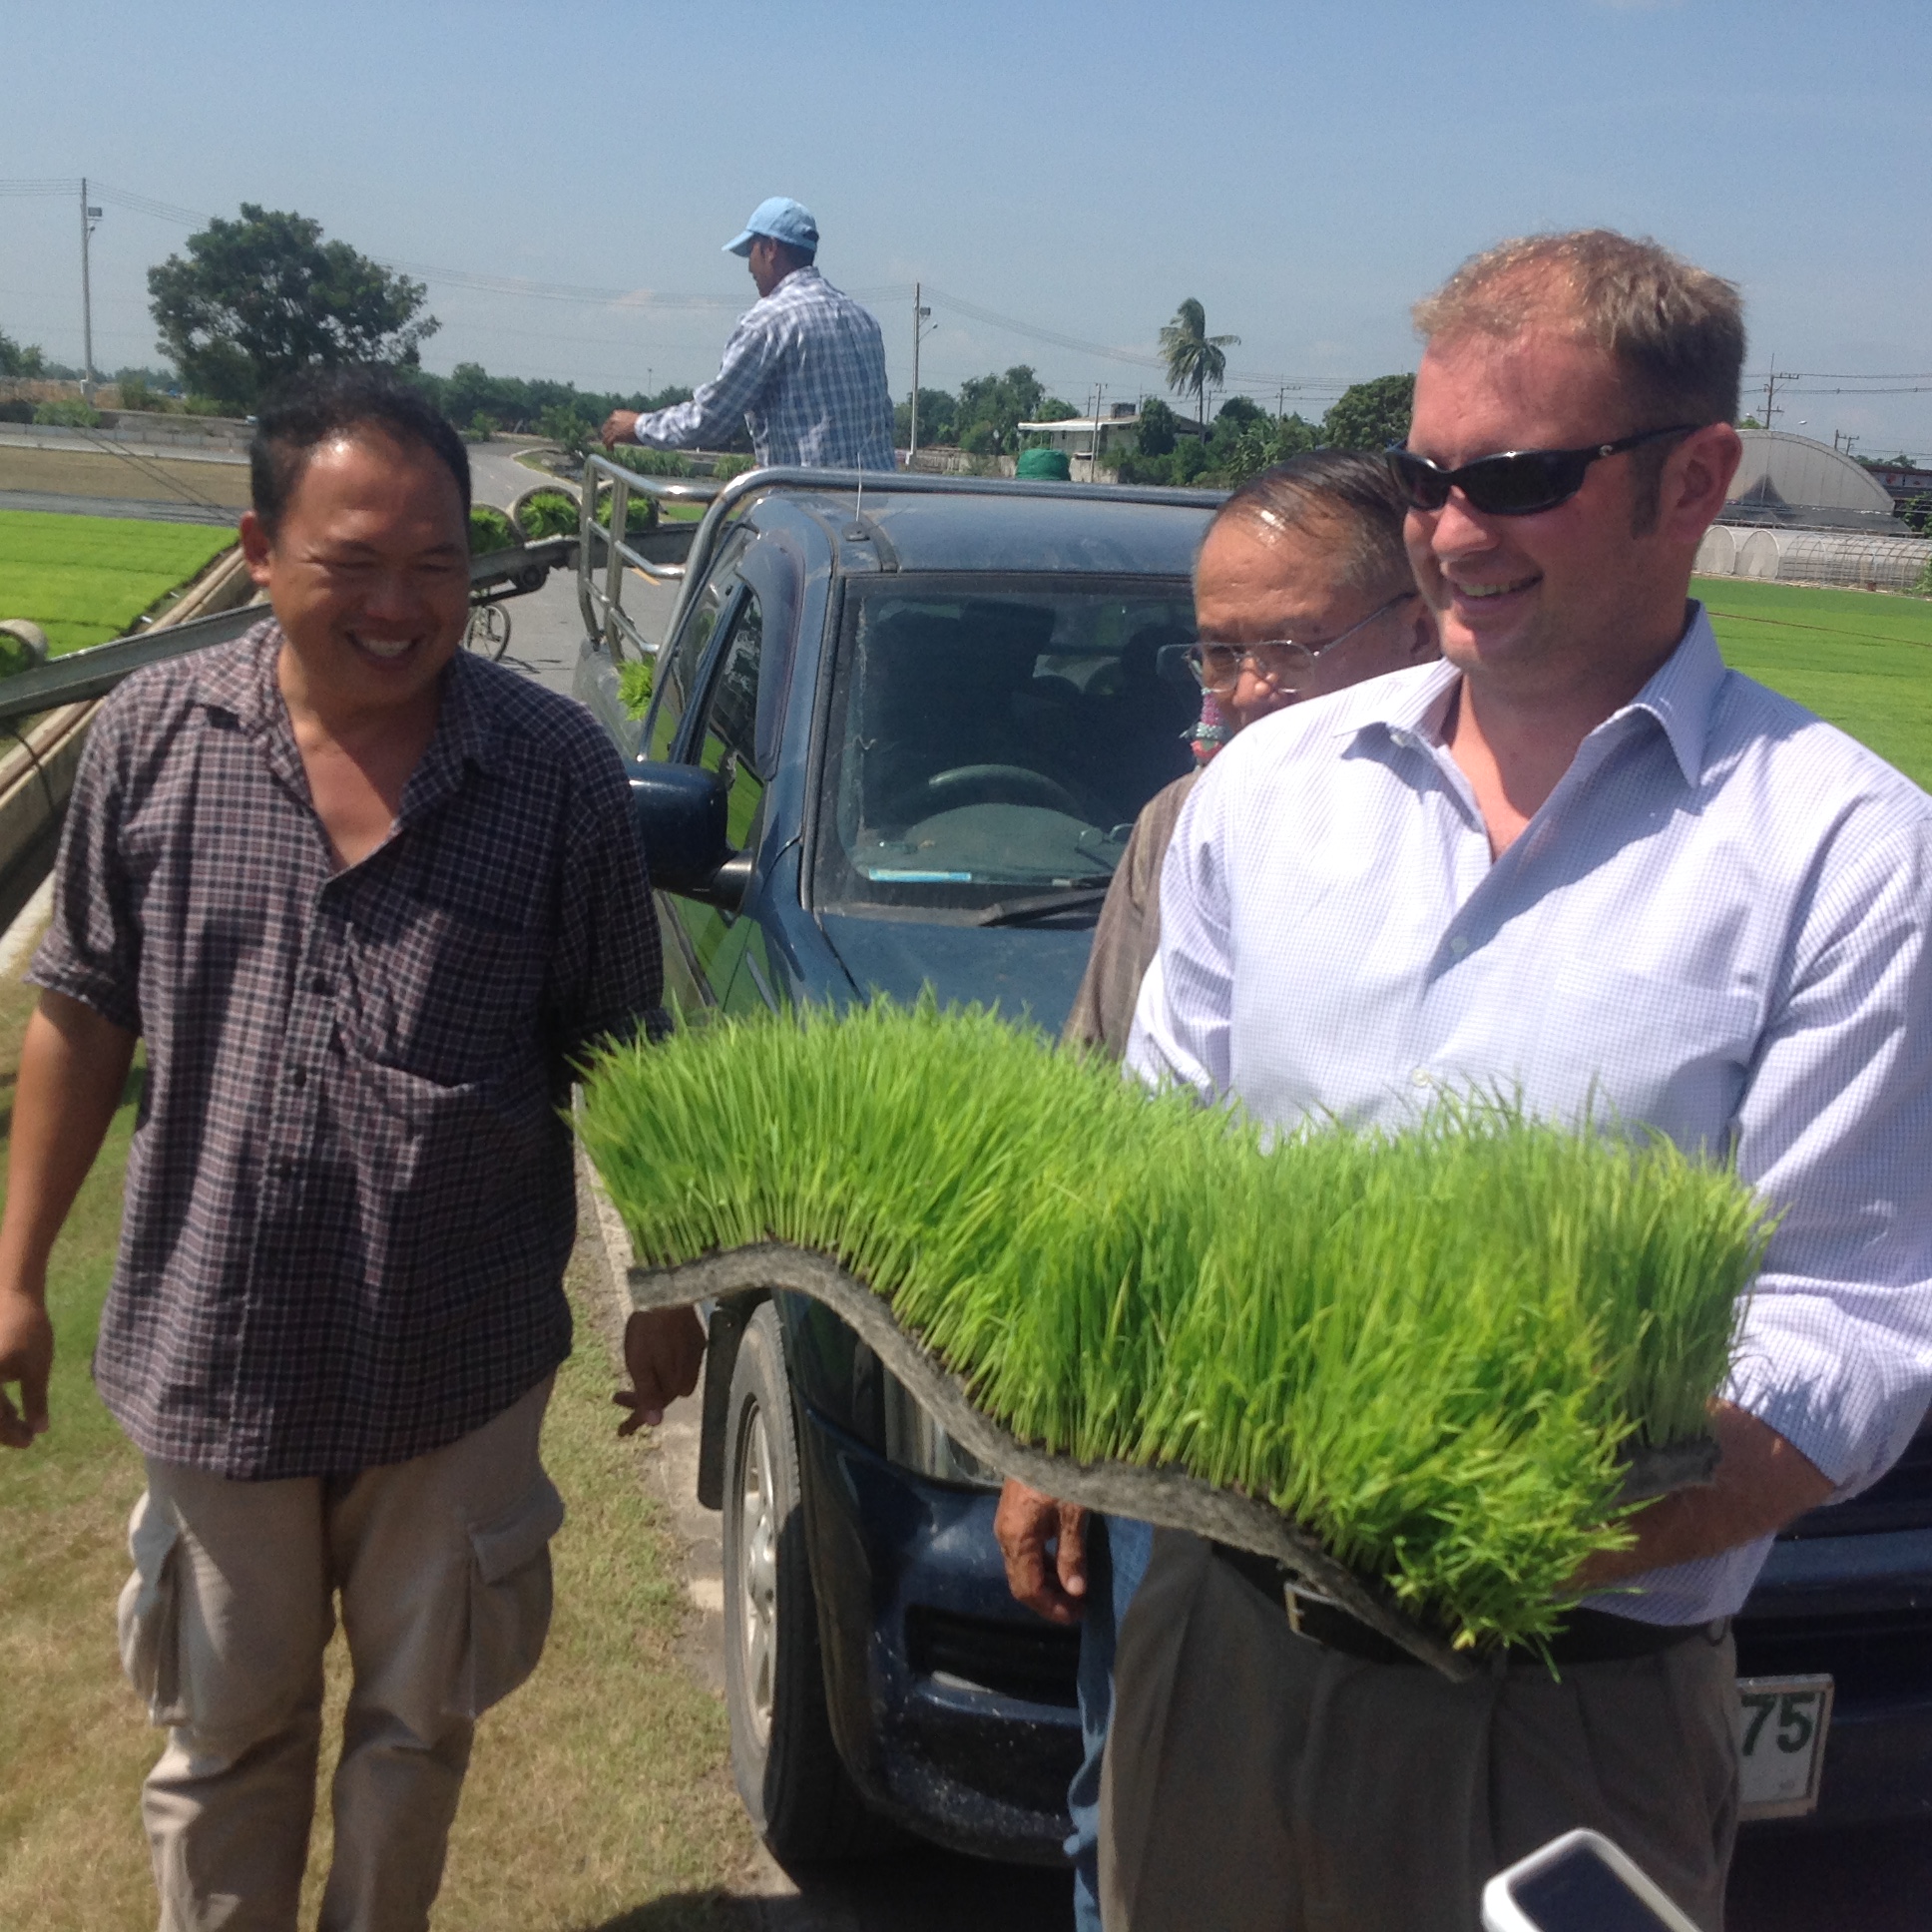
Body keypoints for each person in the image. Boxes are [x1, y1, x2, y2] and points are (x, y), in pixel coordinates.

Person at [1103, 230, 1932, 1932]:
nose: (1453, 534)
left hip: (1559, 1714)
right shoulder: (1271, 794)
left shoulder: (1848, 854)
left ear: (1693, 477)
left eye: (1523, 478)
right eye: (1427, 477)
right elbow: (1151, 1162)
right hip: (1215, 1651)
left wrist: (1471, 1521)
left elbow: (1843, 1326)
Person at [0, 366, 665, 1930]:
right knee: (225, 1734)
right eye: (353, 561)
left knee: (416, 1725)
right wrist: (17, 1272)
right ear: (257, 550)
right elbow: (82, 1010)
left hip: (460, 1356)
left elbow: (624, 1057)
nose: (399, 602)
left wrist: (674, 1287)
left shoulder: (550, 769)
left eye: (436, 562)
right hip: (214, 1340)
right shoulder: (160, 736)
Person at [995, 451, 1439, 1932]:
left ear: (1425, 617)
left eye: (1284, 649)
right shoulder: (1183, 831)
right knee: (1124, 1807)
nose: (1240, 689)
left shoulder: (1498, 841)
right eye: (1219, 649)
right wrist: (1046, 1427)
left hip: (1416, 1487)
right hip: (1175, 1466)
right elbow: (1096, 1137)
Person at [599, 197, 895, 472]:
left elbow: (711, 420)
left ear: (770, 249)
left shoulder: (770, 320)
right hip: (878, 509)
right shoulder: (863, 319)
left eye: (750, 251)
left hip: (810, 513)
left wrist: (638, 425)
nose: (750, 267)